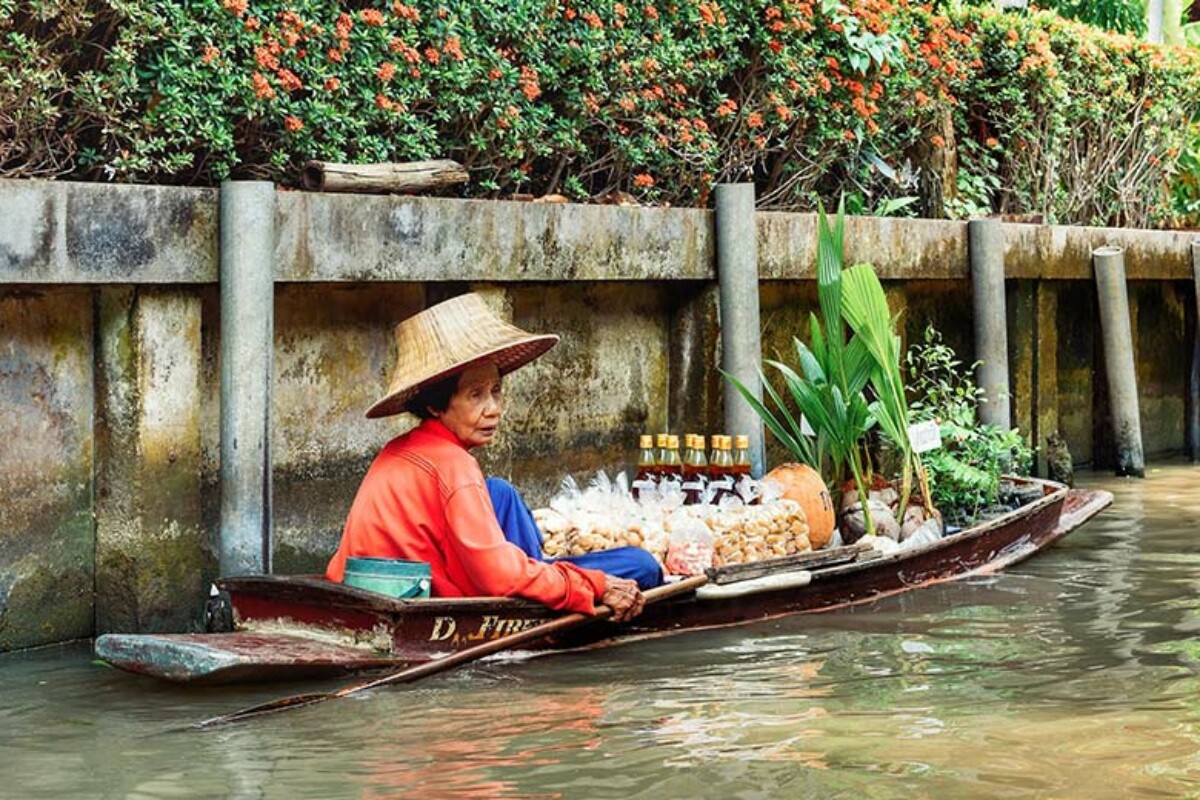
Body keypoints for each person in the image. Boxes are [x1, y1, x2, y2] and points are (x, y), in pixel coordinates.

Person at [325, 292, 663, 621]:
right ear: (435, 405)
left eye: (496, 391)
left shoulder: (398, 449)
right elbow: (497, 577)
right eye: (476, 395)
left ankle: (539, 569)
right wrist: (595, 585)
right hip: (427, 593)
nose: (494, 409)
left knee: (500, 491)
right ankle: (544, 583)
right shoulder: (454, 465)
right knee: (641, 565)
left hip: (386, 582)